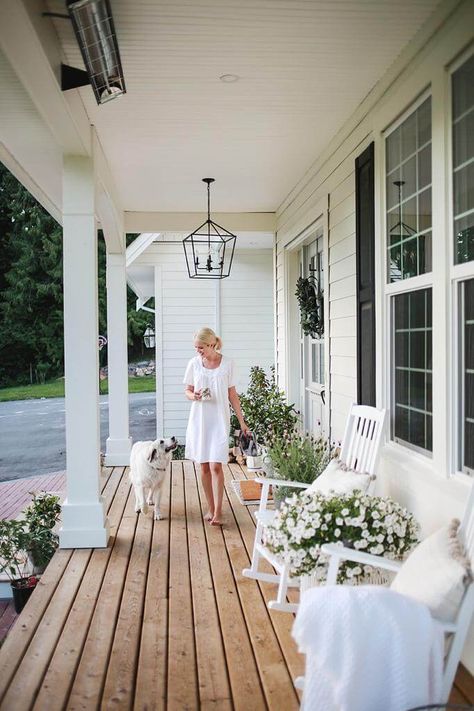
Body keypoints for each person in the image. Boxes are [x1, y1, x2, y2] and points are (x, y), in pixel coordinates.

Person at [183, 327, 249, 526]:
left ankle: (218, 512)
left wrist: (242, 421)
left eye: (201, 347)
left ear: (211, 344)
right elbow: (187, 390)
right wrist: (193, 396)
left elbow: (233, 395)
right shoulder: (194, 364)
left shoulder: (228, 364)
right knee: (203, 465)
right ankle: (210, 508)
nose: (198, 351)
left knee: (216, 466)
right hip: (200, 420)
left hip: (219, 420)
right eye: (196, 347)